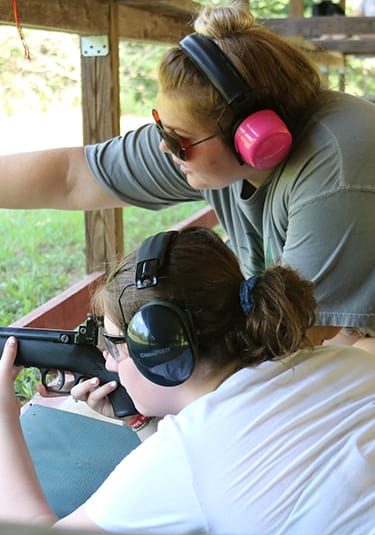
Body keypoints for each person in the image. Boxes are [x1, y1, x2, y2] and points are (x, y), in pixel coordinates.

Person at [0, 2, 374, 352]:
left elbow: (302, 339)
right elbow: (73, 177)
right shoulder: (207, 135)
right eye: (162, 129)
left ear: (255, 139)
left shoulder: (338, 169)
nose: (164, 148)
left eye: (177, 140)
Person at [1, 226, 375, 535]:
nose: (111, 362)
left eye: (115, 345)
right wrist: (140, 421)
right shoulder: (344, 362)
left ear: (161, 352)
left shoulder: (182, 457)